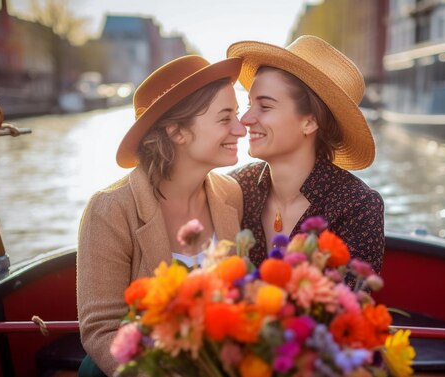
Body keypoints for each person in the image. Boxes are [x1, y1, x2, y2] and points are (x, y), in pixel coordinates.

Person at [76, 55, 246, 376]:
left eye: (236, 114)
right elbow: (102, 330)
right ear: (177, 131)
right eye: (225, 118)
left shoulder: (231, 194)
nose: (240, 128)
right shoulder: (110, 209)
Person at [227, 35, 384, 273]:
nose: (245, 119)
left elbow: (348, 305)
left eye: (265, 106)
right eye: (249, 105)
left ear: (309, 122)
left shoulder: (357, 206)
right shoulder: (237, 186)